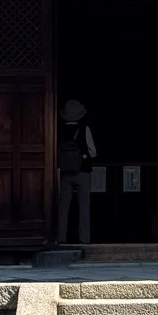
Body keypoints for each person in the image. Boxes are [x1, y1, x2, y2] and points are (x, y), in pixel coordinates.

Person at [57, 98, 98, 245]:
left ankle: (61, 238)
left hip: (65, 174)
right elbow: (93, 152)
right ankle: (84, 238)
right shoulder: (84, 129)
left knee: (63, 207)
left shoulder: (58, 131)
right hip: (83, 172)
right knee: (84, 206)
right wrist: (84, 156)